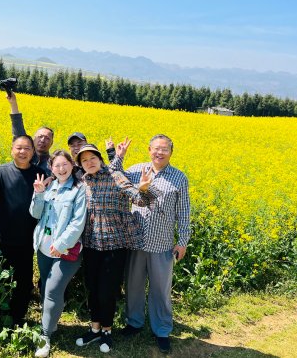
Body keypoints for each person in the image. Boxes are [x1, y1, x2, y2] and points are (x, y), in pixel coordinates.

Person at [74, 140, 158, 354]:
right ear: (81, 165)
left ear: (101, 159)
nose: (89, 162)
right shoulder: (84, 181)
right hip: (91, 244)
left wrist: (144, 188)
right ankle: (94, 329)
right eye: (84, 160)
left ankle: (107, 331)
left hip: (115, 244)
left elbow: (140, 200)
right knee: (92, 288)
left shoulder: (115, 176)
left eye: (93, 158)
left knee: (107, 291)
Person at [118, 134, 191, 354]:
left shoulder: (179, 177)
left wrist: (183, 241)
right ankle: (134, 323)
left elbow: (184, 212)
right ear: (149, 150)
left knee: (161, 289)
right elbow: (115, 178)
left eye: (165, 149)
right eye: (156, 148)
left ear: (171, 152)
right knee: (133, 286)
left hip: (162, 244)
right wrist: (118, 157)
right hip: (136, 241)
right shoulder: (136, 170)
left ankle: (162, 330)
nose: (160, 152)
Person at [0, 135, 44, 326]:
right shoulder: (1, 171)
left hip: (28, 238)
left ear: (33, 151)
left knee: (24, 280)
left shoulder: (39, 174)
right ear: (12, 149)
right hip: (3, 236)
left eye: (27, 148)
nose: (23, 152)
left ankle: (18, 318)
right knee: (1, 278)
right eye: (19, 148)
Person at [30, 150, 87, 358]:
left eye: (65, 164)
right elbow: (35, 214)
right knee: (46, 287)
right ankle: (51, 323)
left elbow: (78, 222)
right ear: (51, 168)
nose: (61, 169)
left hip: (66, 251)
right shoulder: (49, 186)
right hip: (44, 247)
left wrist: (62, 244)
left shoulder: (79, 189)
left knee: (53, 290)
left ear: (72, 165)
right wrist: (38, 194)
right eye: (57, 165)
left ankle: (45, 337)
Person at [7, 92, 53, 175]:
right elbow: (18, 128)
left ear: (51, 143)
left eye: (47, 138)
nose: (42, 140)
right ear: (33, 138)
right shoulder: (25, 154)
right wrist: (13, 103)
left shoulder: (53, 163)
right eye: (40, 136)